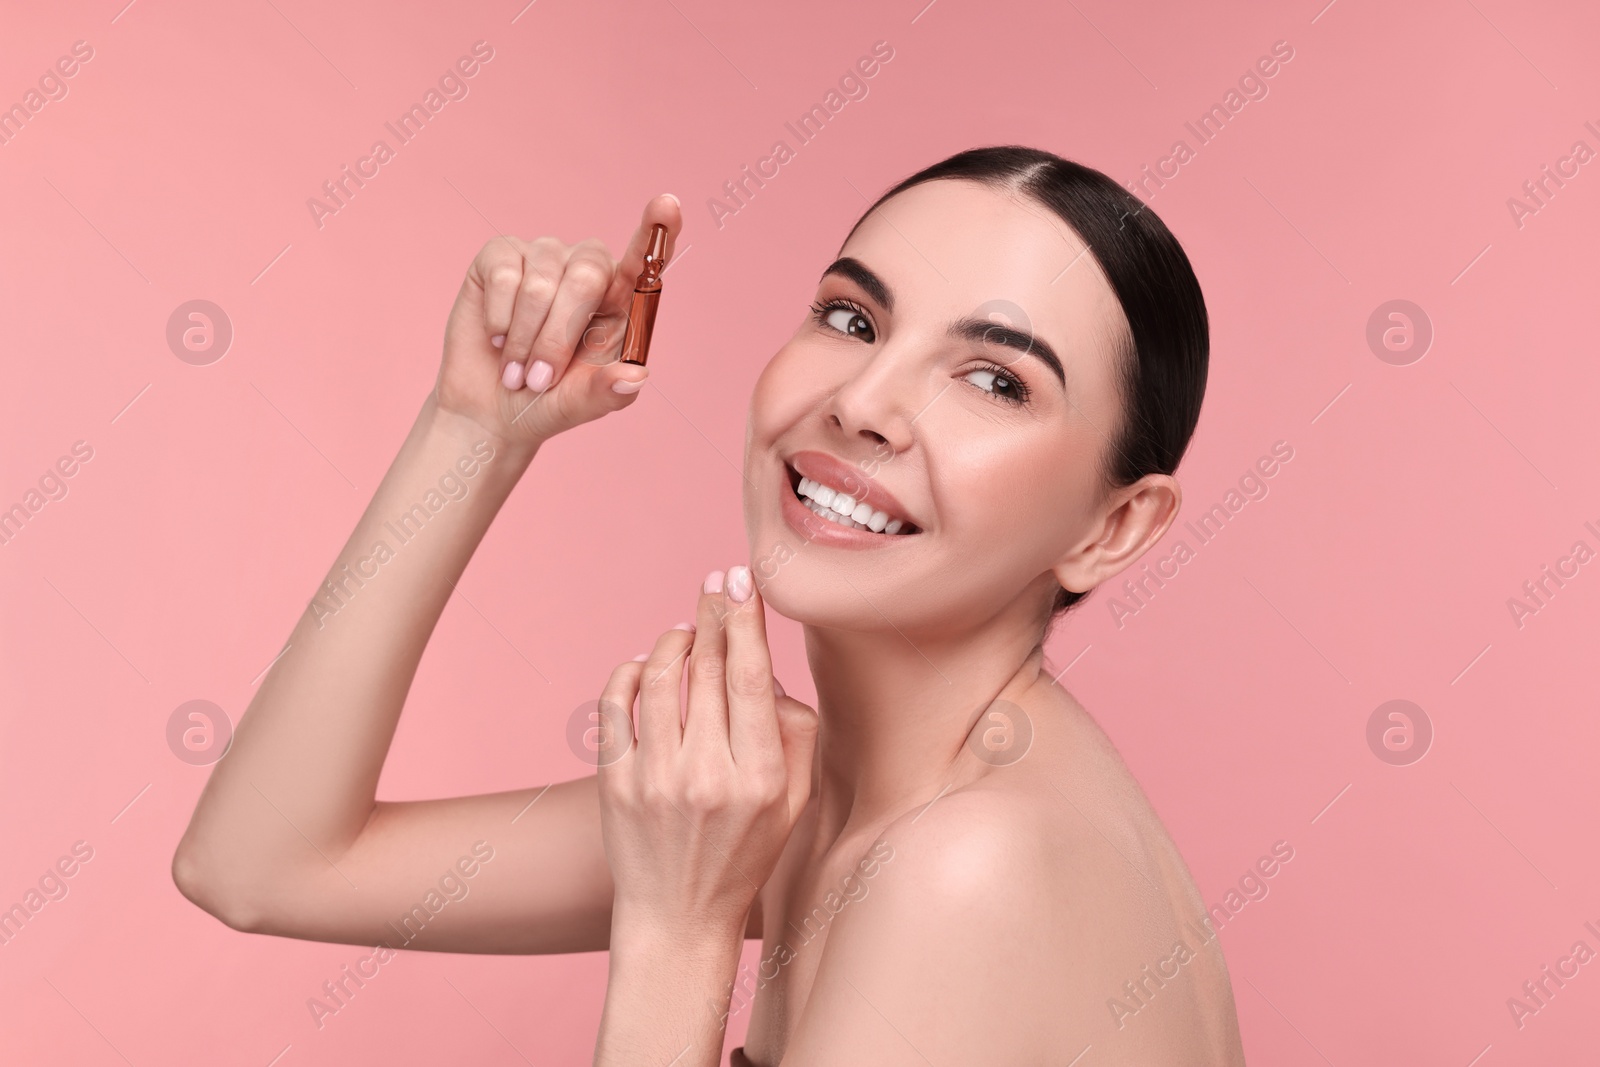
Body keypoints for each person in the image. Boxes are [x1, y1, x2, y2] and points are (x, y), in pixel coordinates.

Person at [173, 145, 1243, 1065]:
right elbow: (260, 866)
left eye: (994, 379)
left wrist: (679, 929)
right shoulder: (816, 798)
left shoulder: (969, 864)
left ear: (1115, 526)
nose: (861, 401)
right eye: (850, 316)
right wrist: (473, 432)